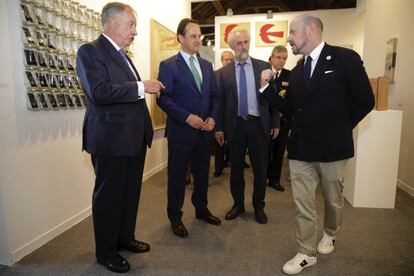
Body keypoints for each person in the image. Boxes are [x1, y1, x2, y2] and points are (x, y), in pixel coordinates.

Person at [260, 14, 374, 274]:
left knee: (333, 199)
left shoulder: (345, 59)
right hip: (301, 147)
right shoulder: (298, 69)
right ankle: (305, 251)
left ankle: (331, 232)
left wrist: (342, 127)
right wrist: (266, 89)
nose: (288, 38)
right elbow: (288, 107)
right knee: (303, 203)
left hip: (333, 147)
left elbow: (365, 99)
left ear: (310, 30)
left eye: (292, 32)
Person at [76, 2, 164, 273]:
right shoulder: (90, 51)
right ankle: (105, 251)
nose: (135, 31)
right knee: (109, 197)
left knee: (129, 194)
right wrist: (141, 86)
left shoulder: (123, 54)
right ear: (112, 23)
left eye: (135, 25)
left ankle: (124, 238)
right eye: (131, 24)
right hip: (110, 141)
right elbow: (100, 92)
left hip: (132, 139)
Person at [157, 18, 221, 238]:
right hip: (181, 132)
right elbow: (164, 100)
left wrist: (212, 117)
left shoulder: (206, 65)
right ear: (180, 38)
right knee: (177, 178)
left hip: (204, 132)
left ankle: (201, 210)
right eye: (193, 36)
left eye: (199, 35)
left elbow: (214, 97)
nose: (198, 39)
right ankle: (175, 217)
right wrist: (187, 118)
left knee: (203, 175)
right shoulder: (168, 66)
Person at [215, 29, 279, 224]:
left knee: (260, 169)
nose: (243, 46)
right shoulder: (223, 73)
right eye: (238, 43)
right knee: (236, 170)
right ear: (231, 46)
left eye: (245, 42)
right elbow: (219, 103)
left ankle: (259, 206)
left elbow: (273, 97)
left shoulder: (264, 66)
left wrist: (275, 122)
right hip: (236, 126)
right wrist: (219, 128)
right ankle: (238, 205)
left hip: (258, 125)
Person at [267, 45, 291, 192]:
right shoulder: (264, 73)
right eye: (278, 58)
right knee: (265, 151)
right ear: (272, 58)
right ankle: (264, 176)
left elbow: (292, 98)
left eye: (284, 58)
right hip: (266, 120)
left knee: (279, 152)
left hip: (283, 121)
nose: (281, 61)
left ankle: (274, 179)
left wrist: (284, 111)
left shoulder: (290, 75)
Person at [213, 50, 234, 177]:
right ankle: (218, 167)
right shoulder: (215, 74)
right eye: (227, 59)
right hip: (219, 114)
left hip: (232, 115)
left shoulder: (237, 74)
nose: (229, 62)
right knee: (218, 143)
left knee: (233, 142)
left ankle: (232, 161)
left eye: (231, 59)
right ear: (221, 60)